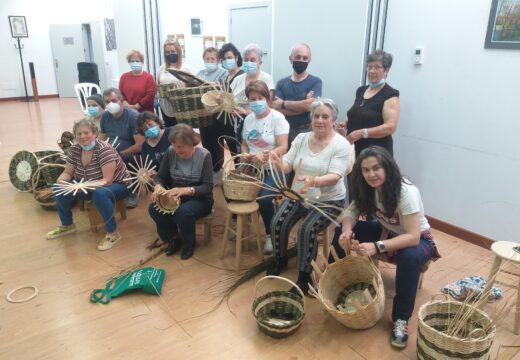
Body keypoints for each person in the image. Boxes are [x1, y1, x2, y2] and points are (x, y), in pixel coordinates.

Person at [330, 146, 440, 349]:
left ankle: (401, 319)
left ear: (387, 167)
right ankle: (339, 283)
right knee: (338, 232)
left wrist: (377, 246)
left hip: (419, 241)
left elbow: (413, 237)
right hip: (387, 234)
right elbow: (351, 211)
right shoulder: (368, 188)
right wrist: (346, 230)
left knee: (408, 257)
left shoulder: (405, 191)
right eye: (365, 170)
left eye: (376, 168)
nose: (371, 174)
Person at [266, 98, 351, 294]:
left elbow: (335, 176)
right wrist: (279, 162)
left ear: (333, 119)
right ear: (311, 118)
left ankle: (304, 278)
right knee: (277, 221)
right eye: (316, 116)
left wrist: (314, 181)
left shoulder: (341, 144)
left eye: (325, 116)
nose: (320, 120)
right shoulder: (302, 138)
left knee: (307, 230)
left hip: (328, 200)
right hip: (299, 195)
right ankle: (280, 259)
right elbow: (288, 164)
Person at [46, 119, 130, 251]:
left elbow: (107, 180)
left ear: (94, 133)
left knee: (100, 193)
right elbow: (68, 172)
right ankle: (67, 225)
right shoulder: (74, 149)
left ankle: (113, 233)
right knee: (58, 189)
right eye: (79, 134)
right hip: (87, 185)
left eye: (86, 133)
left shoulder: (104, 150)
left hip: (117, 185)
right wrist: (61, 182)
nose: (82, 136)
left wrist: (82, 186)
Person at [148, 124, 213, 260]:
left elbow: (207, 187)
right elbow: (160, 177)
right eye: (174, 145)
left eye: (181, 146)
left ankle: (188, 244)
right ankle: (173, 239)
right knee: (154, 208)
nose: (177, 149)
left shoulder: (204, 155)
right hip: (176, 195)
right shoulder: (171, 152)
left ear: (191, 143)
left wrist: (185, 190)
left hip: (200, 198)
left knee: (183, 212)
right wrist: (158, 187)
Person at [241, 80, 289, 253]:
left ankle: (270, 233)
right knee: (229, 186)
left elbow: (284, 147)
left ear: (268, 99)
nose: (256, 102)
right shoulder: (248, 119)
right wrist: (247, 155)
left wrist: (266, 156)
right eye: (252, 99)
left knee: (264, 197)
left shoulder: (277, 118)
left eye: (260, 98)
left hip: (274, 167)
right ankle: (241, 222)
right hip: (252, 165)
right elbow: (245, 144)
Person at [343, 50, 400, 157]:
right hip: (355, 150)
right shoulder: (360, 90)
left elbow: (390, 127)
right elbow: (354, 112)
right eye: (369, 67)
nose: (372, 70)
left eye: (377, 67)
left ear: (386, 70)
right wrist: (344, 123)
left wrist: (362, 133)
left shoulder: (390, 94)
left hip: (376, 152)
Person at [99, 88, 144, 208]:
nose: (110, 104)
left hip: (131, 152)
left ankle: (131, 191)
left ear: (122, 101)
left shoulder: (133, 117)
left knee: (127, 159)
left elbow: (140, 145)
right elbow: (102, 139)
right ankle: (109, 189)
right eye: (107, 102)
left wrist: (119, 154)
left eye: (113, 100)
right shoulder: (105, 116)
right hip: (112, 151)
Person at [272, 43, 322, 144]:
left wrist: (283, 103)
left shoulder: (316, 81)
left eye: (305, 58)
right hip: (283, 132)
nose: (301, 60)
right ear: (290, 59)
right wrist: (303, 105)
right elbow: (276, 108)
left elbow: (311, 106)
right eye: (298, 57)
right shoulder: (281, 83)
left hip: (307, 132)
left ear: (309, 60)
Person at [196, 47, 229, 185]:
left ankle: (218, 171)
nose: (210, 61)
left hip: (218, 114)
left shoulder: (224, 73)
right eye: (207, 59)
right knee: (206, 141)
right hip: (203, 114)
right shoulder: (200, 73)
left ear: (218, 60)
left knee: (217, 143)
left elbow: (223, 91)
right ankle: (210, 170)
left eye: (212, 59)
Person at [230, 43, 275, 142]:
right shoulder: (237, 80)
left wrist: (246, 112)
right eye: (246, 60)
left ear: (260, 62)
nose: (248, 62)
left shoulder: (266, 79)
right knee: (240, 155)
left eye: (252, 60)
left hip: (259, 127)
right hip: (238, 127)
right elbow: (229, 100)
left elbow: (269, 105)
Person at [157, 39, 192, 127]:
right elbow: (157, 86)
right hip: (166, 107)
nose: (170, 54)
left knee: (182, 134)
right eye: (167, 52)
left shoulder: (185, 69)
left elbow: (192, 87)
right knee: (170, 133)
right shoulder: (161, 68)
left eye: (173, 51)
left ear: (178, 51)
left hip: (181, 108)